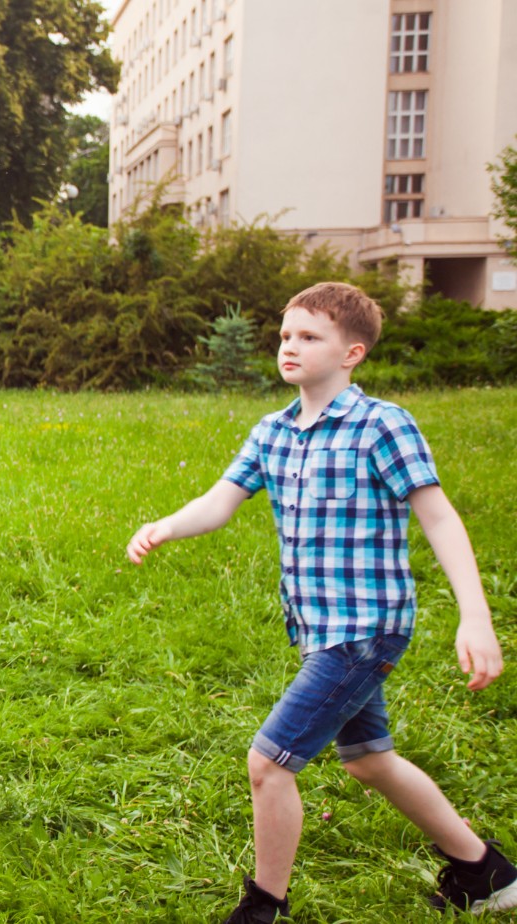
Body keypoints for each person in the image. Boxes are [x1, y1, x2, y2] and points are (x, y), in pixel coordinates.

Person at [125, 282, 512, 921]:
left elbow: (439, 519)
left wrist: (476, 616)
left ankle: (262, 907)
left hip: (365, 629)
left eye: (310, 337)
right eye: (286, 335)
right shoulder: (273, 432)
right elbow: (220, 503)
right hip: (318, 626)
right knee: (370, 762)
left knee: (269, 763)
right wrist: (165, 525)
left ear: (352, 352)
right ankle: (485, 871)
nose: (291, 347)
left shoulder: (380, 425)